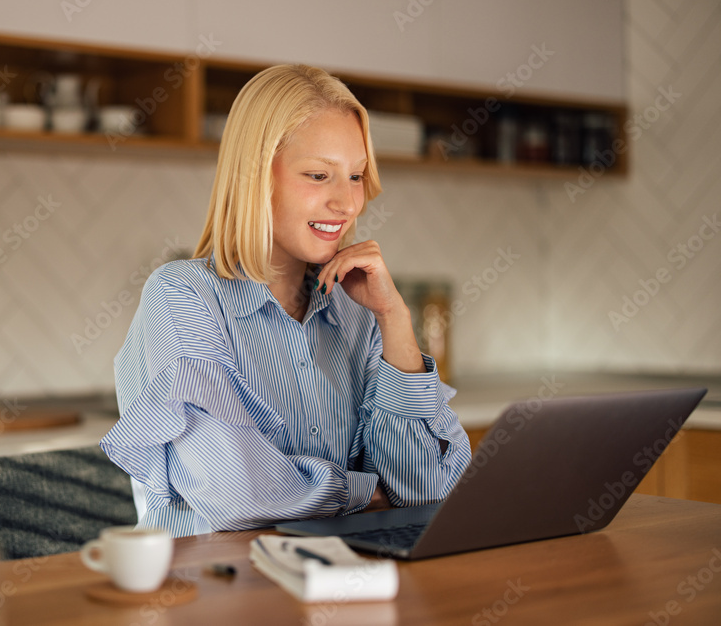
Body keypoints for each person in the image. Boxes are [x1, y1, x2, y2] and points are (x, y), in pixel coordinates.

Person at [101, 64, 471, 537]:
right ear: (256, 175)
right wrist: (361, 493)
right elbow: (236, 496)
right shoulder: (183, 297)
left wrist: (394, 319)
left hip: (339, 584)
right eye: (319, 175)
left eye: (356, 176)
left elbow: (429, 491)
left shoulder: (358, 310)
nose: (347, 203)